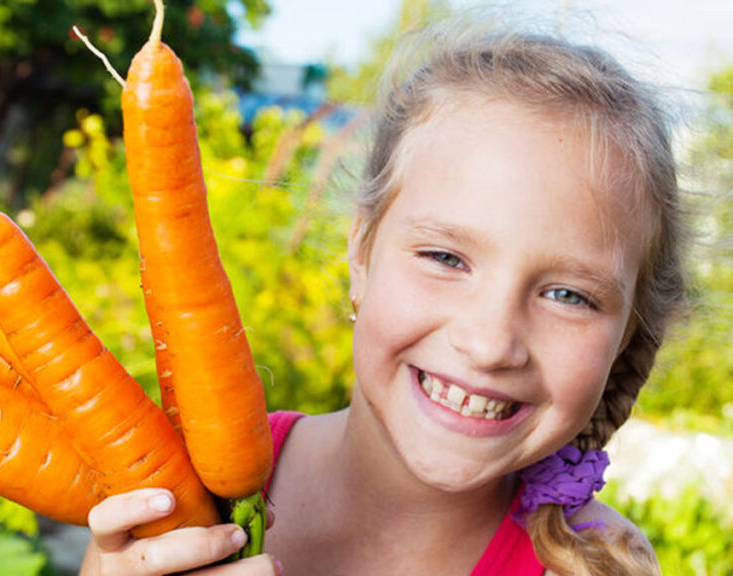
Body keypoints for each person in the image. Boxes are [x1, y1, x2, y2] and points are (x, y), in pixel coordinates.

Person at [80, 14, 686, 576]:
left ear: (629, 333)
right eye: (445, 258)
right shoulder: (174, 503)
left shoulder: (594, 564)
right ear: (361, 255)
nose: (489, 343)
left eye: (567, 295)